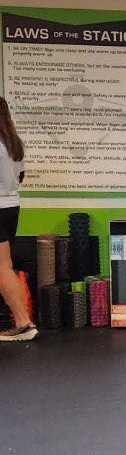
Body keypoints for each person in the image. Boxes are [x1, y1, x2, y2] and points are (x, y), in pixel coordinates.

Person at [0, 97, 35, 343]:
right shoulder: (13, 143)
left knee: (1, 267)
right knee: (4, 265)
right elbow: (20, 175)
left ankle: (23, 323)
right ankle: (24, 321)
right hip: (11, 206)